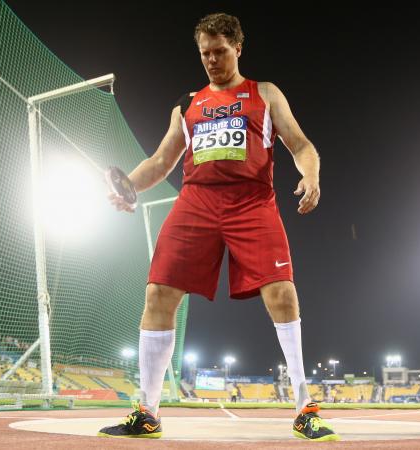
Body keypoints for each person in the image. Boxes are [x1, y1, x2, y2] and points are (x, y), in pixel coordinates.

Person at [98, 13, 337, 442]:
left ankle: (305, 408)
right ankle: (146, 412)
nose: (211, 60)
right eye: (204, 53)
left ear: (238, 48)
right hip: (197, 202)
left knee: (282, 291)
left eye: (219, 51)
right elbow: (160, 161)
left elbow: (300, 144)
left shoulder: (264, 93)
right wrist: (129, 186)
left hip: (252, 201)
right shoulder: (187, 104)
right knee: (157, 292)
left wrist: (311, 174)